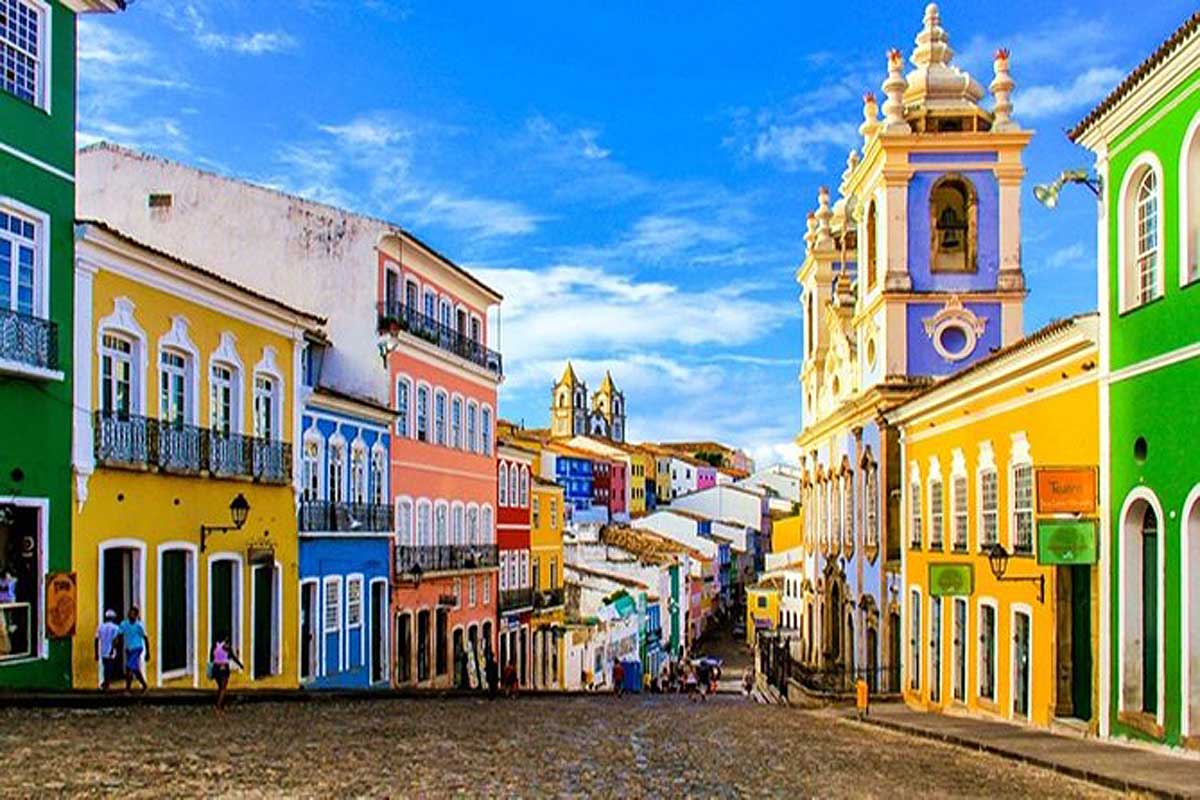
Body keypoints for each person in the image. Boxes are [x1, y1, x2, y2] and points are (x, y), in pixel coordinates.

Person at [119, 606, 149, 693]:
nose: (130, 615)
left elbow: (145, 638)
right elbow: (119, 634)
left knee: (129, 667)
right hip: (129, 649)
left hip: (137, 648)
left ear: (136, 615)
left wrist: (148, 652)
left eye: (132, 614)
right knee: (135, 669)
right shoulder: (124, 624)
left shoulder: (139, 625)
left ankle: (127, 688)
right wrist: (114, 645)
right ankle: (144, 684)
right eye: (129, 613)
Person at [210, 639, 243, 713]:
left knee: (220, 687)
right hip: (223, 668)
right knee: (223, 689)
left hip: (215, 668)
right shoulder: (226, 646)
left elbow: (211, 657)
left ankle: (219, 705)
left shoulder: (215, 644)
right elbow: (233, 657)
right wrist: (240, 665)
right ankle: (219, 707)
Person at [94, 609, 121, 691]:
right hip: (111, 650)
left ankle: (105, 683)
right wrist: (113, 649)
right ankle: (107, 684)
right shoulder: (116, 627)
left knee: (106, 666)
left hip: (103, 650)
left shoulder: (100, 627)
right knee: (109, 667)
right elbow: (115, 640)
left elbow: (96, 640)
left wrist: (96, 652)